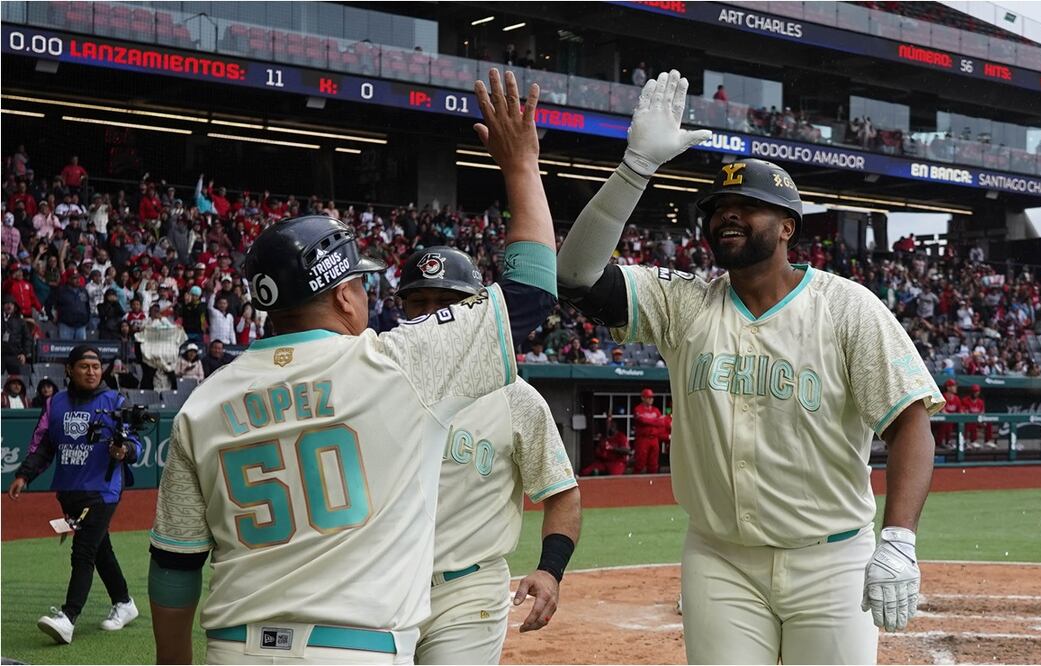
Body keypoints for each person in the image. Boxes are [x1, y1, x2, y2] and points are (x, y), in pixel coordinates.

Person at [148, 69, 559, 665]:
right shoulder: (393, 365)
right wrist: (521, 165)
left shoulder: (202, 401)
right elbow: (530, 292)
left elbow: (175, 565)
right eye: (361, 284)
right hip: (355, 647)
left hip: (234, 649)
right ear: (344, 297)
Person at [556, 70, 942, 663]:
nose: (728, 216)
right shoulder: (684, 302)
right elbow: (576, 276)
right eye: (719, 208)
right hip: (720, 559)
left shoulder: (846, 307)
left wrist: (898, 539)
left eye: (749, 208)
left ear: (788, 227)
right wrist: (635, 168)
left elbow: (909, 422)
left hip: (830, 558)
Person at [396, 246, 581, 664]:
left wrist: (550, 570)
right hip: (386, 586)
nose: (431, 315)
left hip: (468, 588)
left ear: (476, 310)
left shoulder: (516, 397)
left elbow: (562, 493)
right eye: (418, 302)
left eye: (447, 303)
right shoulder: (379, 382)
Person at [7, 345, 144, 644]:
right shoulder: (54, 404)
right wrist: (24, 475)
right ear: (69, 369)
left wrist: (125, 450)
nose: (92, 371)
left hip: (104, 489)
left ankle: (68, 618)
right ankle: (124, 603)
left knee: (83, 551)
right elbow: (43, 446)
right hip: (69, 491)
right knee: (100, 549)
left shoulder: (115, 401)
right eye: (84, 366)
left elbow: (136, 443)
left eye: (96, 366)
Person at [632, 388, 664, 473]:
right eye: (648, 397)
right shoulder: (638, 409)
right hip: (643, 439)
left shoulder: (656, 410)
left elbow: (661, 422)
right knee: (640, 462)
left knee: (653, 464)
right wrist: (654, 420)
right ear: (643, 398)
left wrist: (649, 420)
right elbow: (642, 420)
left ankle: (651, 483)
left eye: (652, 397)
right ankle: (635, 483)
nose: (651, 399)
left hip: (654, 439)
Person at [2, 295, 31, 374]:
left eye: (11, 304)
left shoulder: (20, 321)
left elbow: (27, 338)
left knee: (15, 381)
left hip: (15, 356)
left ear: (15, 307)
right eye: (7, 303)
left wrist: (24, 353)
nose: (9, 306)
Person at [961, 384, 994, 450]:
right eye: (974, 391)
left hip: (978, 421)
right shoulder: (965, 400)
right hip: (968, 422)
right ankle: (972, 441)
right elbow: (964, 413)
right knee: (971, 421)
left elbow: (982, 413)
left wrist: (983, 421)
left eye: (977, 391)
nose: (976, 393)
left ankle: (987, 441)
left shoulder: (980, 402)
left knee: (988, 422)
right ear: (971, 392)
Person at [936, 379, 963, 449]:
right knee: (946, 421)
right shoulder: (942, 396)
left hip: (951, 422)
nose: (955, 387)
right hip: (938, 422)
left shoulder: (956, 398)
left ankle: (959, 442)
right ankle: (942, 442)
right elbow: (942, 411)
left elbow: (960, 411)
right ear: (948, 387)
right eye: (953, 386)